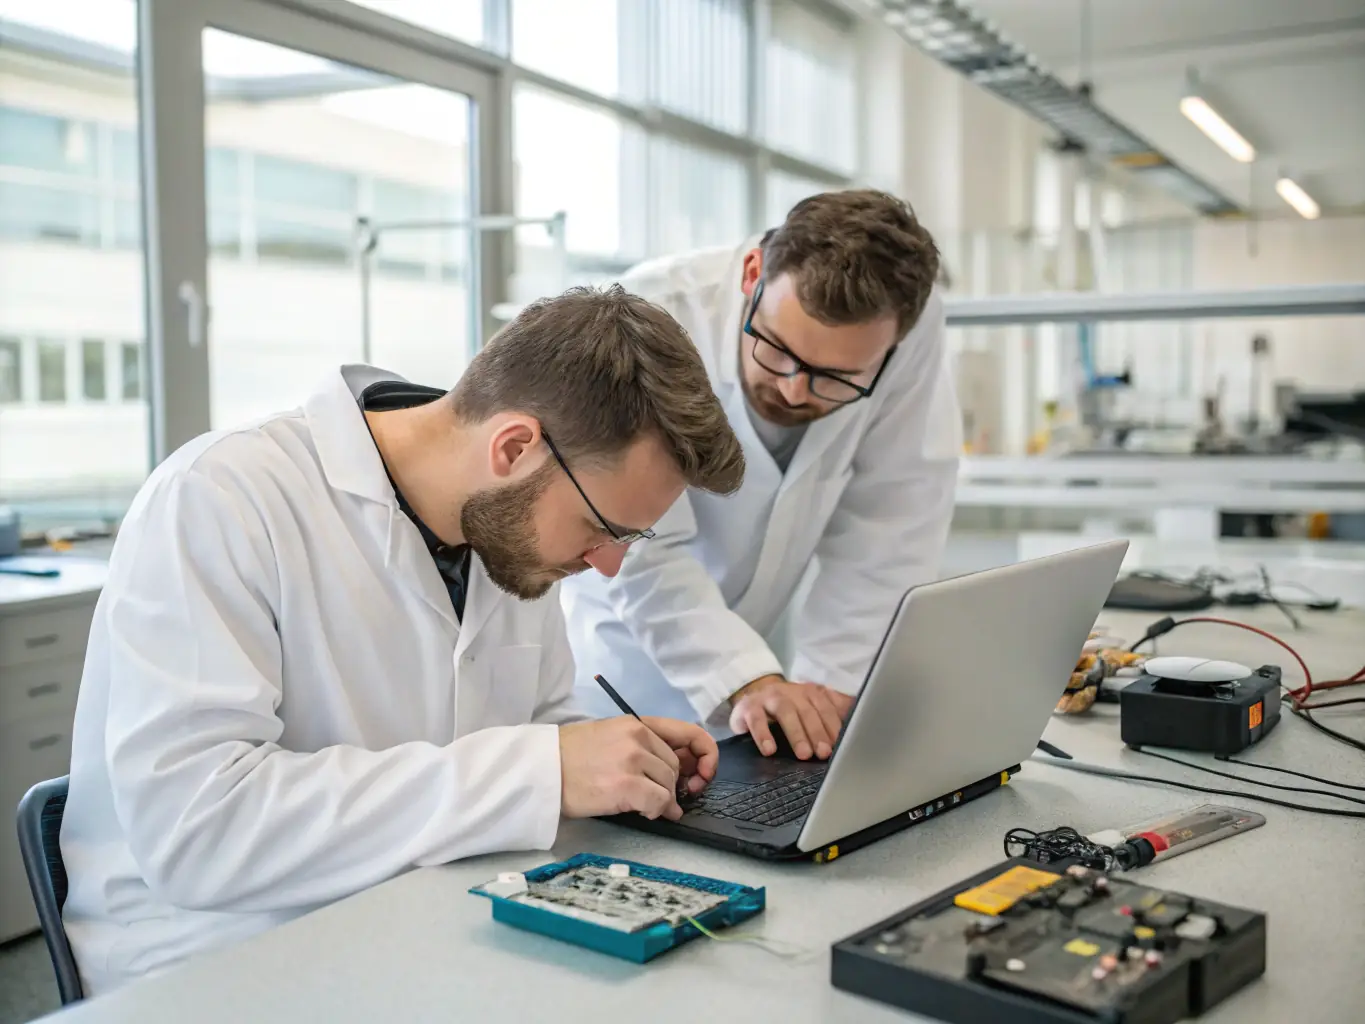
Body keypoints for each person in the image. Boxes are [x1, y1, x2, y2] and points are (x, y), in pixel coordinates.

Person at [59, 286, 745, 995]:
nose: (608, 566)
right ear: (514, 447)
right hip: (215, 959)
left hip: (429, 912)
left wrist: (610, 759)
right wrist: (541, 771)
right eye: (602, 528)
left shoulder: (505, 535)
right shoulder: (220, 499)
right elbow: (198, 832)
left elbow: (529, 726)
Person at [562, 189, 961, 762]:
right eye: (777, 348)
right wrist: (744, 677)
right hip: (623, 667)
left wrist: (830, 694)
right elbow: (637, 548)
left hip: (756, 691)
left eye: (836, 376)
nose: (795, 390)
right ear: (753, 274)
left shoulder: (904, 329)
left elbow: (891, 522)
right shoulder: (649, 317)